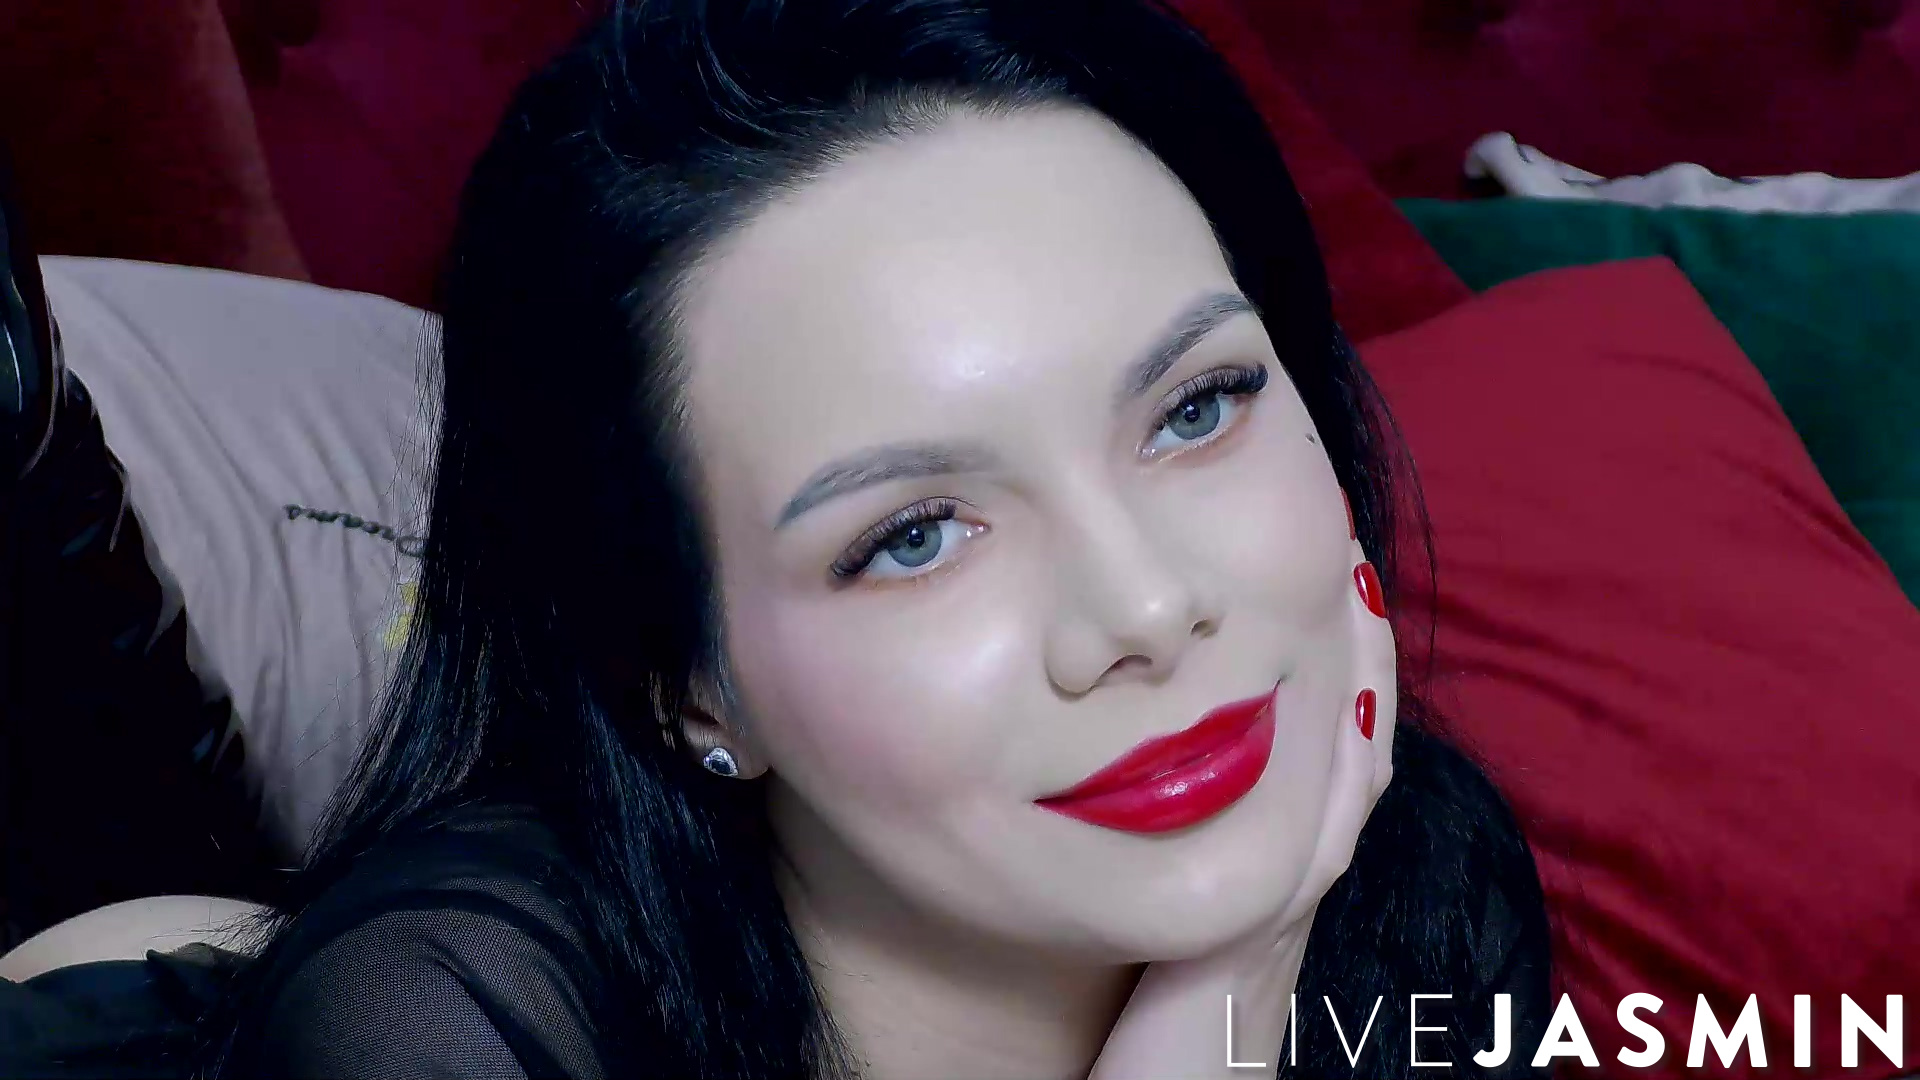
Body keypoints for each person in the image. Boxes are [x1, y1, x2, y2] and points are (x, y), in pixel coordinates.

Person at [6, 0, 1554, 1076]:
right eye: (916, 535)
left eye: (1197, 408)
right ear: (690, 683)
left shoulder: (1419, 889)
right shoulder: (447, 1026)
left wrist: (1249, 963)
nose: (1145, 608)